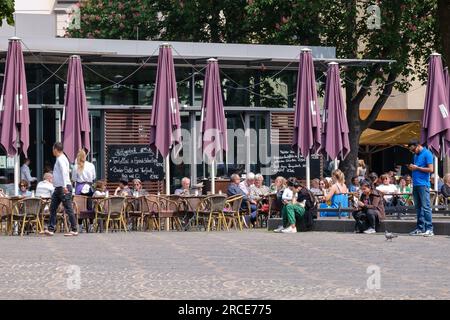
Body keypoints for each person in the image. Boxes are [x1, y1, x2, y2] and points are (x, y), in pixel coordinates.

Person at [43, 142, 78, 236]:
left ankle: (74, 229)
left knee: (68, 208)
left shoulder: (61, 159)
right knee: (53, 207)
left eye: (52, 149)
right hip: (58, 188)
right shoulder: (61, 158)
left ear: (55, 149)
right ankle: (51, 229)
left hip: (63, 187)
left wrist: (64, 186)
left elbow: (64, 172)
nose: (52, 151)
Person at [407, 141, 434, 237]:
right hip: (416, 184)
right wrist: (412, 168)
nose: (413, 152)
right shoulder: (415, 155)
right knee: (418, 208)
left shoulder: (427, 153)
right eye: (411, 151)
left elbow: (431, 169)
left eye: (413, 149)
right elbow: (417, 168)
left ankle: (429, 229)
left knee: (426, 207)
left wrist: (417, 168)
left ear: (418, 146)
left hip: (423, 184)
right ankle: (420, 228)